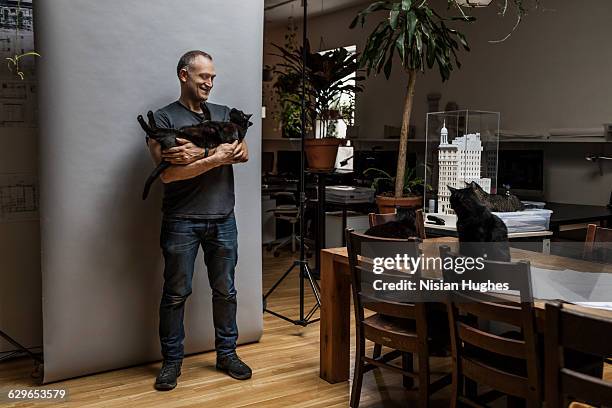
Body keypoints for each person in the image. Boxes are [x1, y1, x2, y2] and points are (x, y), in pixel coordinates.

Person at [145, 50, 251, 391]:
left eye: (212, 77)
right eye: (203, 76)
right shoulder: (163, 119)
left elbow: (242, 152)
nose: (209, 82)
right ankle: (171, 362)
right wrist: (216, 154)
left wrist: (204, 154)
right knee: (176, 293)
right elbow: (170, 175)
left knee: (226, 291)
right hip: (181, 221)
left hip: (223, 218)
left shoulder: (224, 114)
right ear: (183, 75)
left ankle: (227, 354)